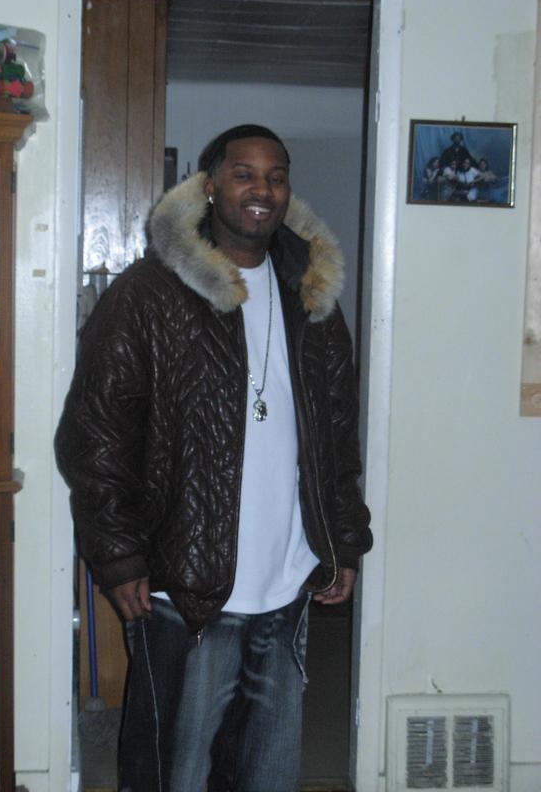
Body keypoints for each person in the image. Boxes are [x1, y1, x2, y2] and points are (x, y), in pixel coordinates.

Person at [55, 124, 373, 792]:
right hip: (185, 577)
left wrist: (343, 539)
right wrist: (119, 554)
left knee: (268, 767)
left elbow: (338, 432)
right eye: (244, 173)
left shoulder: (311, 296)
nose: (262, 189)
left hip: (287, 575)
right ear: (209, 186)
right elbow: (96, 432)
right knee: (176, 766)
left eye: (276, 176)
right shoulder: (149, 294)